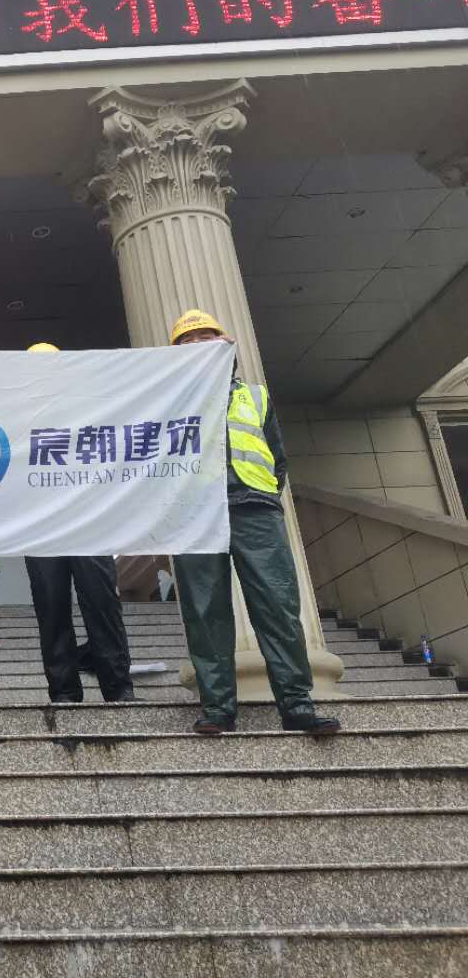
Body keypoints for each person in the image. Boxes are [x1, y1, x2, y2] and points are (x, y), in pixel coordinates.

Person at [169, 309, 340, 736]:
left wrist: (263, 494)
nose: (198, 346)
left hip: (255, 508)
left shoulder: (256, 397)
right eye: (188, 342)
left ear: (225, 346)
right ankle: (218, 709)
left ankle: (297, 706)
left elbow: (277, 458)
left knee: (277, 608)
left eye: (206, 337)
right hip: (195, 514)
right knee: (205, 612)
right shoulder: (167, 401)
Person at [21, 342, 136, 705]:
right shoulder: (17, 415)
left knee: (102, 603)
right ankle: (64, 691)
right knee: (51, 608)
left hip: (88, 521)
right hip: (41, 526)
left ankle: (118, 687)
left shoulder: (91, 408)